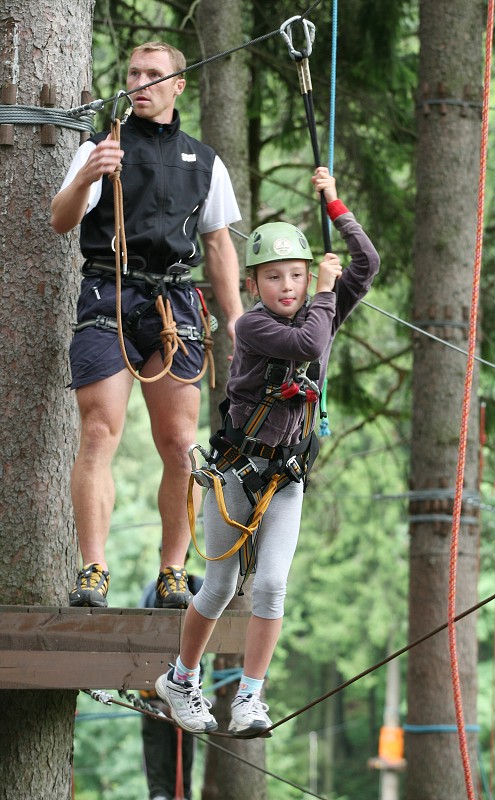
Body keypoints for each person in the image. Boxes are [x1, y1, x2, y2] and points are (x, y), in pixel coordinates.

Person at [154, 167, 380, 735]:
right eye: (274, 277)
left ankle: (249, 699)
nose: (288, 286)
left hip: (285, 476)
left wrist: (334, 205)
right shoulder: (253, 326)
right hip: (236, 473)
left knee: (273, 585)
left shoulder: (320, 311)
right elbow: (307, 342)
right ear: (254, 285)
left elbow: (367, 265)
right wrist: (326, 294)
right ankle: (181, 679)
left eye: (298, 276)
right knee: (223, 586)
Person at [50, 41, 243, 609]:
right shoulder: (99, 147)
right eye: (134, 73)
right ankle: (93, 569)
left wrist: (235, 318)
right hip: (108, 293)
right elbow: (61, 220)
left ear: (179, 84)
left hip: (175, 304)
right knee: (99, 431)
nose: (141, 82)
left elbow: (219, 246)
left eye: (154, 75)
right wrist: (87, 175)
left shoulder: (204, 161)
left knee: (181, 446)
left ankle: (172, 573)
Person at [139, 553, 203, 800]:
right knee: (157, 740)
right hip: (155, 684)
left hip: (186, 681)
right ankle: (159, 793)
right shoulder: (151, 592)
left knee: (185, 738)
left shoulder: (198, 586)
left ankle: (181, 793)